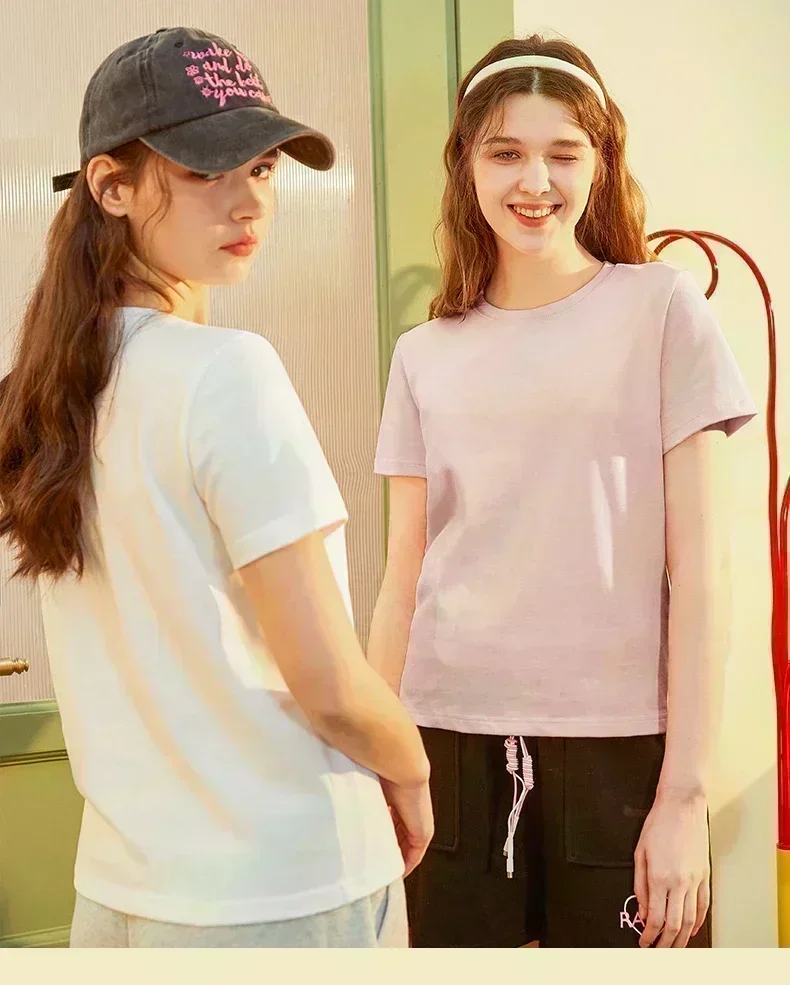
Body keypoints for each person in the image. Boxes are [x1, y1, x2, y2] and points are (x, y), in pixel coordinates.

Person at [0, 26, 433, 948]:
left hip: (122, 888)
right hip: (283, 887)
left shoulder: (48, 390)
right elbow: (330, 685)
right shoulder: (226, 372)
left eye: (264, 166)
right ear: (110, 186)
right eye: (204, 170)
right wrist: (411, 764)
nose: (250, 200)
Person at [368, 34, 757, 949]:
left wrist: (684, 794)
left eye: (563, 153)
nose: (534, 181)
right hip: (445, 741)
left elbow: (703, 572)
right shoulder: (423, 352)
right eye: (505, 151)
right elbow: (402, 578)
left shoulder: (663, 309)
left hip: (619, 746)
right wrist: (376, 760)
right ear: (467, 164)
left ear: (601, 162)